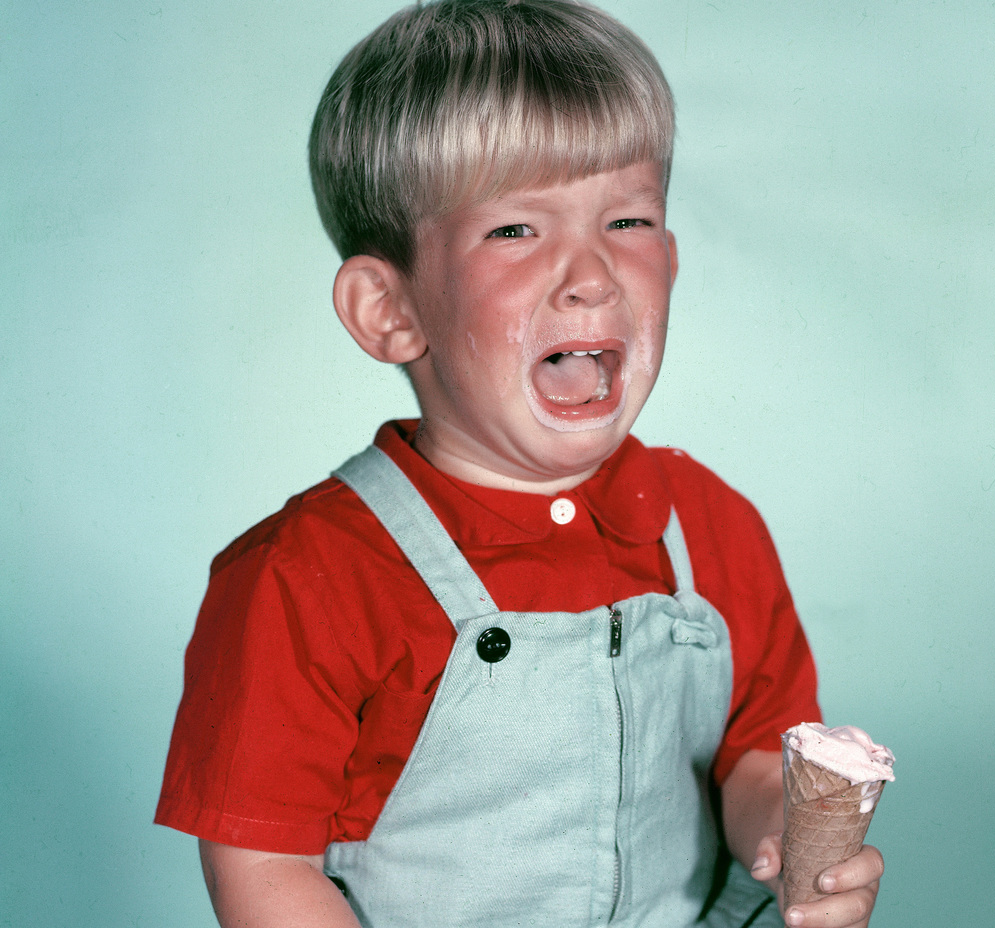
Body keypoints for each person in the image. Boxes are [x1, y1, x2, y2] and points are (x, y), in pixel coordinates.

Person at [154, 1, 885, 926]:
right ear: (390, 310)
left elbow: (744, 756)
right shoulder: (304, 579)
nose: (591, 275)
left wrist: (786, 832)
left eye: (628, 219)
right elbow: (266, 871)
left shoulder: (709, 525)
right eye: (515, 231)